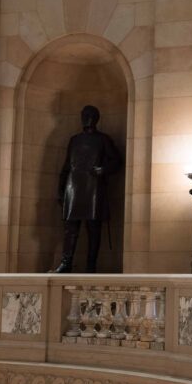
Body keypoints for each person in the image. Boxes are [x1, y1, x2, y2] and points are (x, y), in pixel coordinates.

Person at [51, 105, 122, 274]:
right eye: (84, 114)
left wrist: (103, 169)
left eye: (89, 115)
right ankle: (66, 262)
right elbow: (67, 165)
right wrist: (61, 189)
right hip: (73, 187)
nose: (86, 117)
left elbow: (117, 161)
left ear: (96, 118)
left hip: (93, 188)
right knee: (70, 228)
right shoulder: (74, 140)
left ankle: (91, 266)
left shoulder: (103, 139)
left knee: (93, 228)